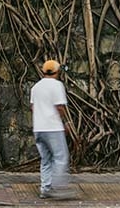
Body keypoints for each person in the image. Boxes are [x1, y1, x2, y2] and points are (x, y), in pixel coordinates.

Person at [30, 60, 74, 200]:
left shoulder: (35, 87)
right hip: (53, 128)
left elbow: (32, 107)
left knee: (46, 159)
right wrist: (65, 122)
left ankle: (45, 188)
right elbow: (60, 107)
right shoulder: (57, 85)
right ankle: (58, 188)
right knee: (61, 158)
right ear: (57, 72)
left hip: (38, 128)